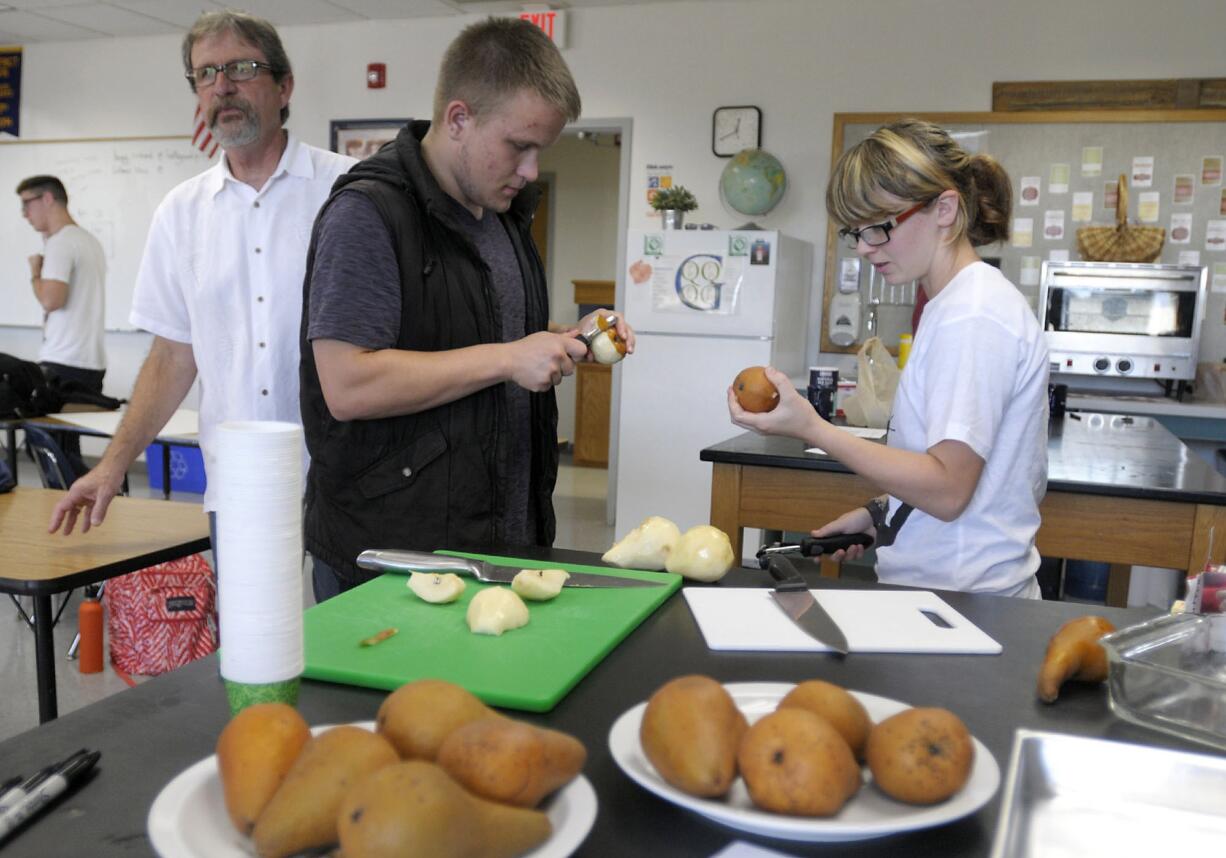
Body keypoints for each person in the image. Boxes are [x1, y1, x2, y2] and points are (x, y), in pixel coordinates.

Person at [300, 17, 633, 600]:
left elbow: (475, 333)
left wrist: (563, 337)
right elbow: (348, 384)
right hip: (394, 562)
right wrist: (508, 359)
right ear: (458, 118)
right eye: (519, 146)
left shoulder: (502, 217)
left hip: (498, 547)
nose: (532, 171)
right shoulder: (367, 215)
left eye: (541, 150)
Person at [49, 9, 356, 543]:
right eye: (206, 74)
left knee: (351, 629)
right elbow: (172, 357)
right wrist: (114, 464)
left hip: (349, 484)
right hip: (238, 487)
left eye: (240, 68)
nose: (222, 87)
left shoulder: (347, 191)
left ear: (284, 86)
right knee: (248, 629)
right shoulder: (181, 211)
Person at [729, 118, 1049, 597]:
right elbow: (942, 465)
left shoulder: (973, 316)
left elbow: (947, 490)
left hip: (965, 603)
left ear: (944, 208)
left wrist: (813, 429)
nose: (862, 248)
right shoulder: (953, 305)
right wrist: (880, 514)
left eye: (878, 228)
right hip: (950, 590)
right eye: (853, 232)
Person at [18, 175, 108, 475]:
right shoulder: (87, 240)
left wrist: (35, 273)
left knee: (47, 445)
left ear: (47, 199)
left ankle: (84, 499)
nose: (24, 214)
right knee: (65, 444)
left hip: (64, 361)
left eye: (27, 204)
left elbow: (51, 300)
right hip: (89, 361)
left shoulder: (62, 242)